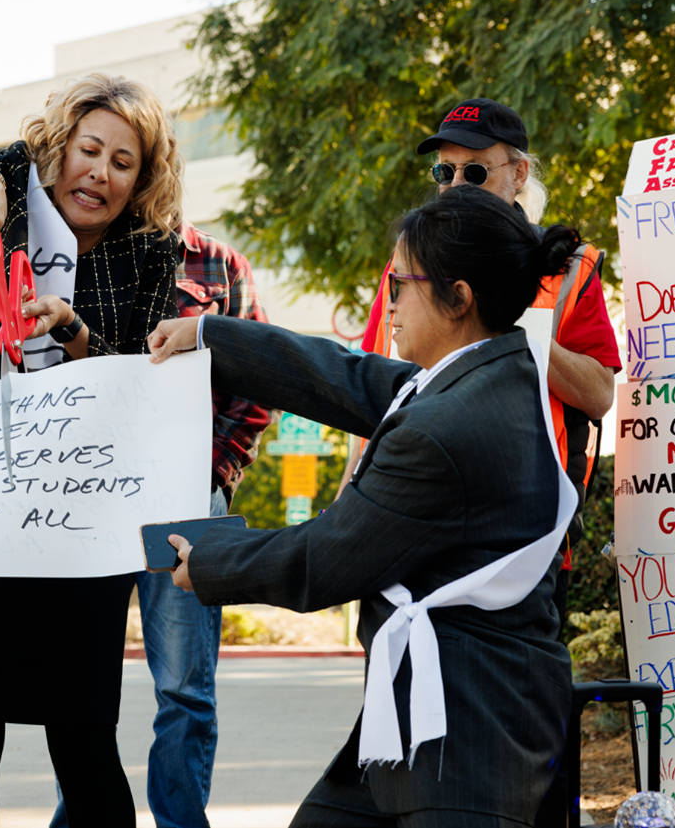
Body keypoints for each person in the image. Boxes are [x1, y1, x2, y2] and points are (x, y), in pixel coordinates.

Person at [148, 187, 581, 828]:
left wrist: (206, 557)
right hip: (430, 712)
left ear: (458, 298)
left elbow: (327, 557)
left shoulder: (447, 426)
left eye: (402, 282)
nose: (391, 300)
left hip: (464, 733)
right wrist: (210, 332)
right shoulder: (487, 371)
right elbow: (341, 374)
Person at [0, 72, 183, 828]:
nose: (101, 172)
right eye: (90, 149)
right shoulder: (11, 183)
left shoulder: (152, 250)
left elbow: (147, 379)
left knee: (84, 740)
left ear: (141, 178)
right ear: (61, 148)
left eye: (124, 162)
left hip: (73, 516)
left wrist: (78, 336)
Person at [52, 222, 273, 828]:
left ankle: (180, 824)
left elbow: (257, 384)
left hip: (189, 504)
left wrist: (206, 476)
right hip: (89, 500)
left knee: (184, 687)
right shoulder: (77, 254)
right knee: (81, 687)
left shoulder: (220, 265)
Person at [346, 99, 619, 514]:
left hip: (523, 525)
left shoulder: (568, 266)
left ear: (519, 174)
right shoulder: (404, 263)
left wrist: (510, 318)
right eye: (444, 171)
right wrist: (346, 498)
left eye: (474, 172)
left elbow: (599, 394)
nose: (456, 186)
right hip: (403, 509)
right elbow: (370, 394)